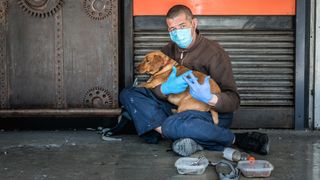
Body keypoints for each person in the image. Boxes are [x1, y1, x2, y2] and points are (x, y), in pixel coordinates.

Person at [117, 5, 269, 156]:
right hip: (175, 109)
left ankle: (235, 139)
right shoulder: (168, 50)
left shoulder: (215, 53)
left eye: (182, 26)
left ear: (194, 24)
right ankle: (180, 134)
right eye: (172, 29)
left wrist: (210, 98)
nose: (177, 33)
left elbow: (234, 100)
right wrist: (164, 89)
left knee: (175, 123)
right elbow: (154, 90)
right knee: (128, 94)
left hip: (209, 114)